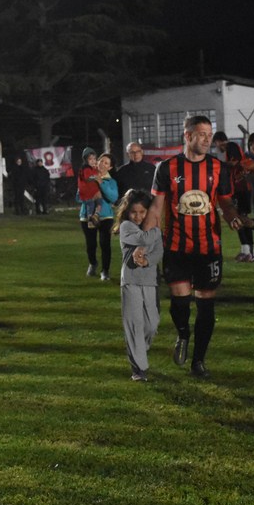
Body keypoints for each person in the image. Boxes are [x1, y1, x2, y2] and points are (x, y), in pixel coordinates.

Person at [144, 115, 250, 378]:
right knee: (180, 303)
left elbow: (225, 202)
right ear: (187, 135)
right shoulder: (166, 168)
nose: (207, 139)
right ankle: (183, 334)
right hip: (176, 247)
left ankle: (198, 361)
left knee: (206, 305)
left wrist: (232, 216)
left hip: (208, 248)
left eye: (209, 135)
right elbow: (156, 208)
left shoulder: (218, 168)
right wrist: (144, 243)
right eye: (202, 134)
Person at [114, 189, 163, 381]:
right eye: (134, 212)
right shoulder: (127, 227)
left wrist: (147, 260)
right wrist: (157, 228)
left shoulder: (151, 228)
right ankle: (138, 369)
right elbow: (144, 239)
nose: (138, 216)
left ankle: (139, 350)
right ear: (127, 212)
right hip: (131, 281)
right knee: (134, 324)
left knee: (151, 324)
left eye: (143, 212)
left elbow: (158, 252)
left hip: (150, 282)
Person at [80, 152, 119, 280]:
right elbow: (78, 197)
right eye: (101, 161)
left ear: (110, 167)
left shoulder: (111, 181)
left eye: (106, 163)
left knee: (105, 244)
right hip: (87, 216)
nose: (102, 164)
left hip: (105, 217)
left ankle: (105, 271)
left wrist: (101, 183)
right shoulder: (87, 177)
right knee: (90, 244)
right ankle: (93, 263)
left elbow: (113, 198)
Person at [77, 148, 103, 226]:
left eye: (94, 159)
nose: (93, 161)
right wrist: (96, 177)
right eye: (90, 159)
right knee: (90, 205)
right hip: (87, 191)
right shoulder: (86, 168)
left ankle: (96, 215)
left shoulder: (92, 168)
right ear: (86, 160)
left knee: (99, 201)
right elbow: (88, 178)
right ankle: (90, 220)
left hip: (92, 190)